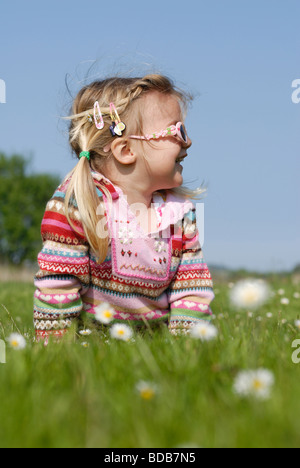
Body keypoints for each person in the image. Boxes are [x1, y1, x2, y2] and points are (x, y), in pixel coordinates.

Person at [33, 74, 214, 341]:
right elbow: (59, 285)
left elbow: (191, 291)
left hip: (155, 352)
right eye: (177, 131)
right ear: (126, 149)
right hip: (91, 347)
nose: (187, 142)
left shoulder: (178, 214)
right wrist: (56, 352)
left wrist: (186, 354)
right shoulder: (79, 203)